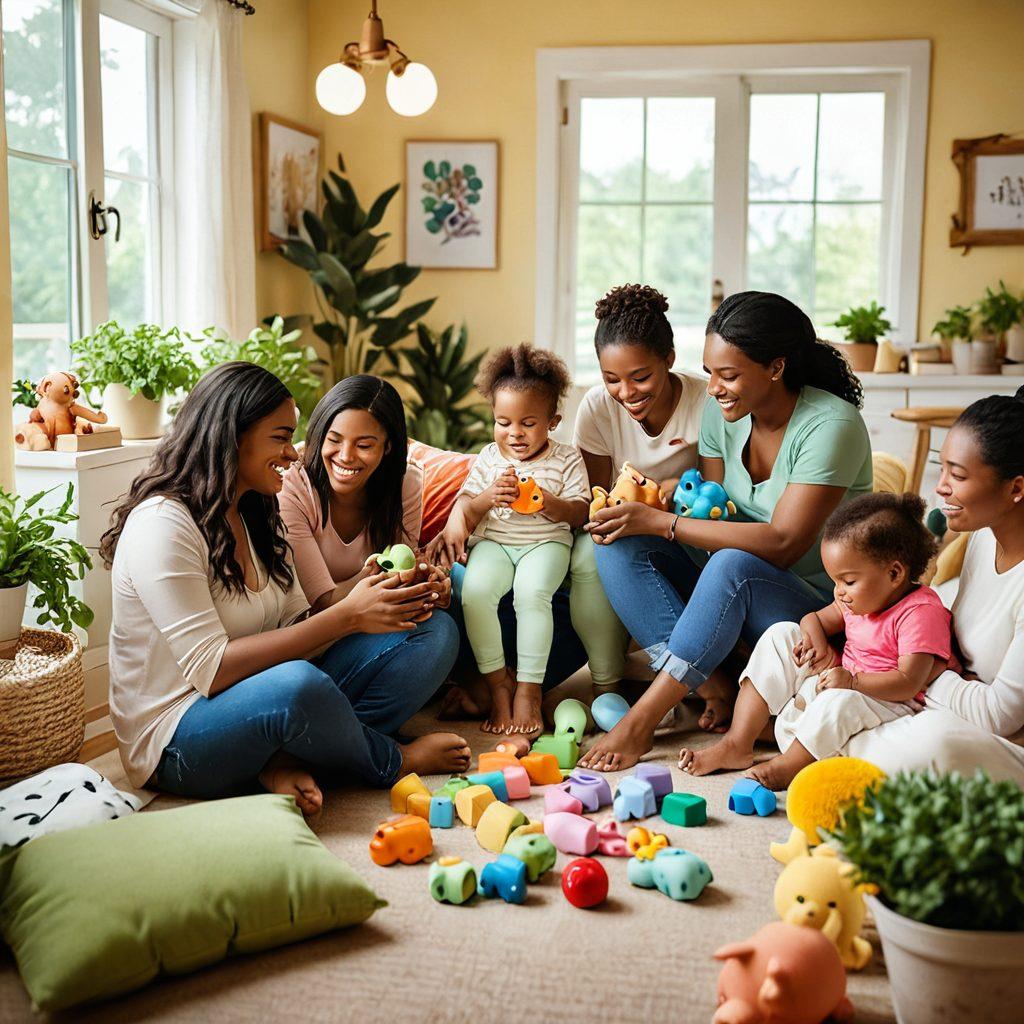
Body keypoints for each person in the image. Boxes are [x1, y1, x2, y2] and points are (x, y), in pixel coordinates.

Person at [104, 363, 468, 817]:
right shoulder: (163, 525)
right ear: (234, 436)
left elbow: (299, 622)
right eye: (281, 437)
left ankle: (295, 757)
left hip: (265, 695)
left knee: (432, 632)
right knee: (298, 686)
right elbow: (211, 670)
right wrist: (348, 616)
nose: (294, 455)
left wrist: (378, 596)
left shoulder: (255, 509)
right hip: (177, 735)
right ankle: (385, 759)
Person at [579, 291, 872, 772]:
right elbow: (713, 510)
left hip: (818, 609)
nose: (712, 388)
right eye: (709, 372)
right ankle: (709, 680)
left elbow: (783, 544)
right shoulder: (721, 413)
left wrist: (665, 523)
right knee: (617, 539)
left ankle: (641, 721)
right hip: (735, 581)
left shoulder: (831, 425)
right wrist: (660, 504)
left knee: (732, 564)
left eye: (728, 375)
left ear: (775, 367)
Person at [679, 492, 957, 789]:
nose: (839, 591)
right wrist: (817, 644)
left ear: (894, 573)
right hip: (841, 684)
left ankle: (790, 766)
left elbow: (909, 682)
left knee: (840, 702)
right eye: (835, 581)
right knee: (780, 634)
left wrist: (853, 682)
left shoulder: (920, 611)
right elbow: (812, 620)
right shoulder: (857, 601)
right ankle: (738, 742)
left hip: (890, 701)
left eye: (848, 581)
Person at [428, 344, 623, 734]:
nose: (514, 433)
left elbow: (580, 512)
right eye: (503, 422)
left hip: (545, 544)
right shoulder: (489, 458)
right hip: (495, 543)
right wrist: (488, 497)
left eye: (528, 423)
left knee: (531, 594)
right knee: (475, 593)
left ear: (552, 421)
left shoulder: (566, 459)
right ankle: (498, 686)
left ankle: (529, 690)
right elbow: (467, 505)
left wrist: (548, 504)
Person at [845, 388, 1024, 781]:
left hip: (994, 739)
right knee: (801, 654)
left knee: (933, 740)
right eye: (941, 468)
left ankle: (849, 747)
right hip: (954, 704)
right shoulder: (983, 537)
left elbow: (998, 716)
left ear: (1016, 488)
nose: (941, 487)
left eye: (957, 475)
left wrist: (918, 673)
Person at [572, 283, 719, 722]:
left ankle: (686, 679)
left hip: (692, 536)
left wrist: (674, 488)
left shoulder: (706, 403)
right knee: (604, 544)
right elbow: (596, 497)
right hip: (631, 533)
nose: (626, 392)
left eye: (640, 377)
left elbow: (719, 495)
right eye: (611, 379)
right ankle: (701, 681)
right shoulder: (597, 408)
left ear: (669, 358)